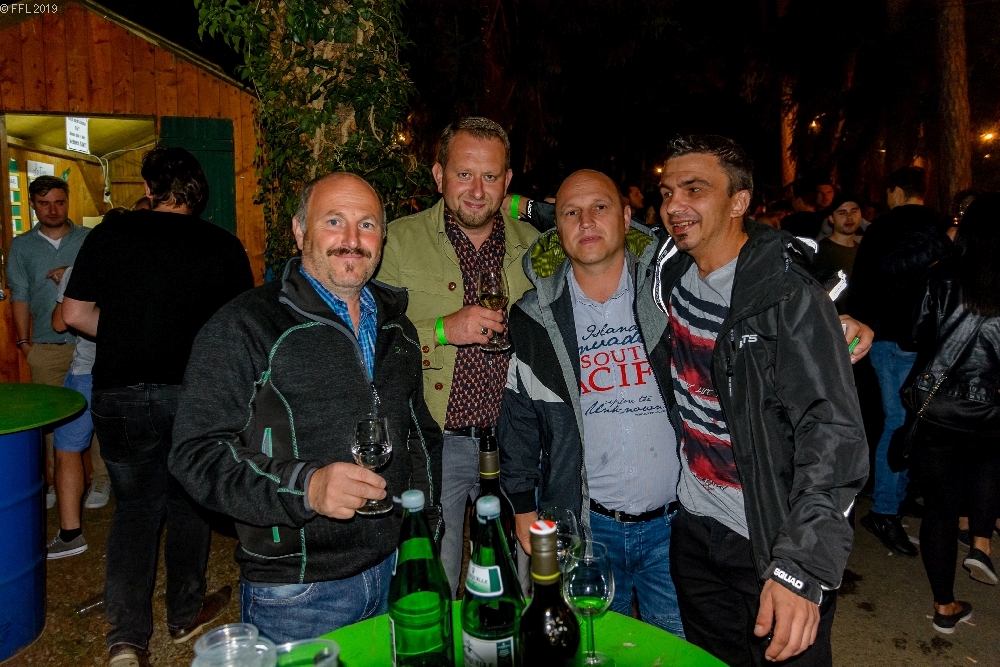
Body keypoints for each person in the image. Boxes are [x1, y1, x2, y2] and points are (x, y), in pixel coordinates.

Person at [170, 172, 442, 643]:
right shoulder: (245, 325)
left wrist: (424, 534)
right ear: (299, 231)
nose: (352, 239)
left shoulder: (398, 328)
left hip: (398, 569)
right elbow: (196, 453)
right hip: (299, 593)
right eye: (334, 221)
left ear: (382, 238)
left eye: (367, 225)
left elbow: (420, 437)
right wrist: (307, 487)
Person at [652, 135, 868, 666]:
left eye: (694, 189)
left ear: (739, 201)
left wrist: (801, 568)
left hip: (770, 538)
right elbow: (592, 220)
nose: (674, 205)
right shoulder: (670, 271)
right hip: (695, 531)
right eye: (667, 193)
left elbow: (833, 436)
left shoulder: (788, 297)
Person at [63, 147, 253, 667]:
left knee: (134, 509)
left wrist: (125, 335)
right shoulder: (222, 244)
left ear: (149, 188)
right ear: (198, 191)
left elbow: (74, 314)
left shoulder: (109, 235)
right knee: (188, 500)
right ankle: (184, 612)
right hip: (190, 394)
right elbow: (239, 329)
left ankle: (127, 640)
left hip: (118, 394)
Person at [498, 169, 686, 636]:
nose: (586, 221)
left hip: (677, 527)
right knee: (594, 650)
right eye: (570, 212)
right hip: (586, 531)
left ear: (626, 216)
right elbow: (518, 423)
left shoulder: (672, 294)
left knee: (679, 650)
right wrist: (521, 506)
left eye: (600, 207)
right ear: (558, 229)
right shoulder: (532, 320)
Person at [375, 117, 539, 597]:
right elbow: (373, 340)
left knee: (523, 584)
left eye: (490, 176)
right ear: (438, 175)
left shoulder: (535, 246)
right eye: (464, 174)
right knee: (436, 583)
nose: (477, 190)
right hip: (436, 443)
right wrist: (444, 330)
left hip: (517, 443)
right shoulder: (394, 243)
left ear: (507, 181)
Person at [907, 193, 1000, 633]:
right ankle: (981, 541)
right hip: (993, 406)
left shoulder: (941, 274)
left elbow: (915, 334)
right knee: (989, 464)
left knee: (940, 509)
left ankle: (944, 607)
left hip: (940, 404)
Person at [849, 166, 951, 558]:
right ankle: (889, 504)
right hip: (909, 339)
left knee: (901, 421)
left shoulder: (891, 227)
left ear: (894, 190)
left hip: (891, 336)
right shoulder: (933, 227)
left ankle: (889, 505)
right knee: (903, 421)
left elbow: (869, 279)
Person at [6, 175, 104, 509]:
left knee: (97, 413)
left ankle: (102, 480)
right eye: (44, 203)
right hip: (46, 347)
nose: (52, 210)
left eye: (59, 202)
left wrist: (71, 272)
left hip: (90, 344)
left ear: (68, 202)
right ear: (33, 205)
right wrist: (24, 342)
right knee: (50, 421)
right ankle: (53, 481)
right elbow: (19, 295)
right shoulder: (22, 245)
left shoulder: (90, 238)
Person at [45, 209, 128, 559]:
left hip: (87, 372)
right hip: (132, 373)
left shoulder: (81, 269)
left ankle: (70, 534)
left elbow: (59, 323)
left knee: (67, 450)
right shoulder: (143, 268)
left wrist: (63, 287)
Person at [813, 194, 862, 278]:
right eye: (842, 213)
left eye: (854, 212)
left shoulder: (862, 250)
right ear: (831, 219)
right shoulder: (822, 251)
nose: (849, 217)